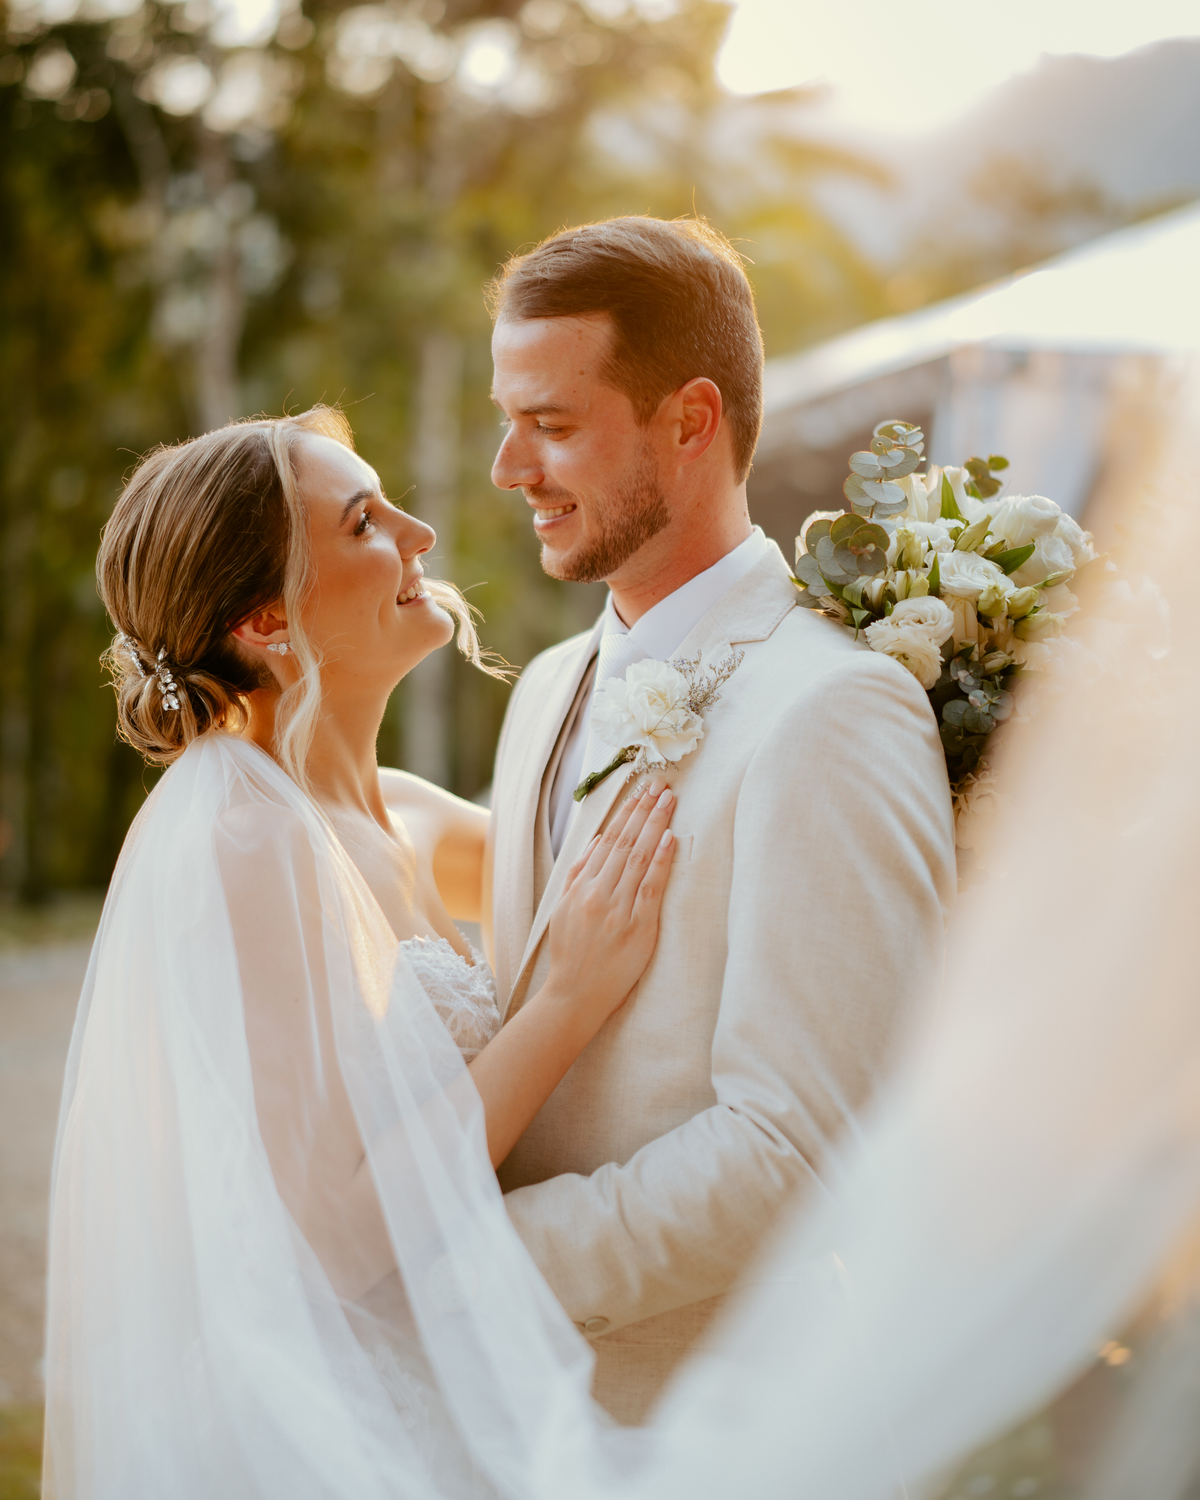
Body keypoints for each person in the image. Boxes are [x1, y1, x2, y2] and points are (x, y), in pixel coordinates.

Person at [43, 405, 678, 1496]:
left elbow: (655, 856)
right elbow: (332, 1236)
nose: (420, 532)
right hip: (356, 1428)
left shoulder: (409, 813)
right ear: (266, 622)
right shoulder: (245, 840)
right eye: (363, 524)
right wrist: (560, 1006)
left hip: (465, 1369)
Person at [484, 215, 958, 1422]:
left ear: (690, 421)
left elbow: (800, 1149)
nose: (509, 468)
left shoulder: (835, 709)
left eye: (551, 425)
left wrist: (475, 1266)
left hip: (733, 1426)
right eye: (510, 422)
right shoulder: (542, 692)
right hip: (524, 1425)